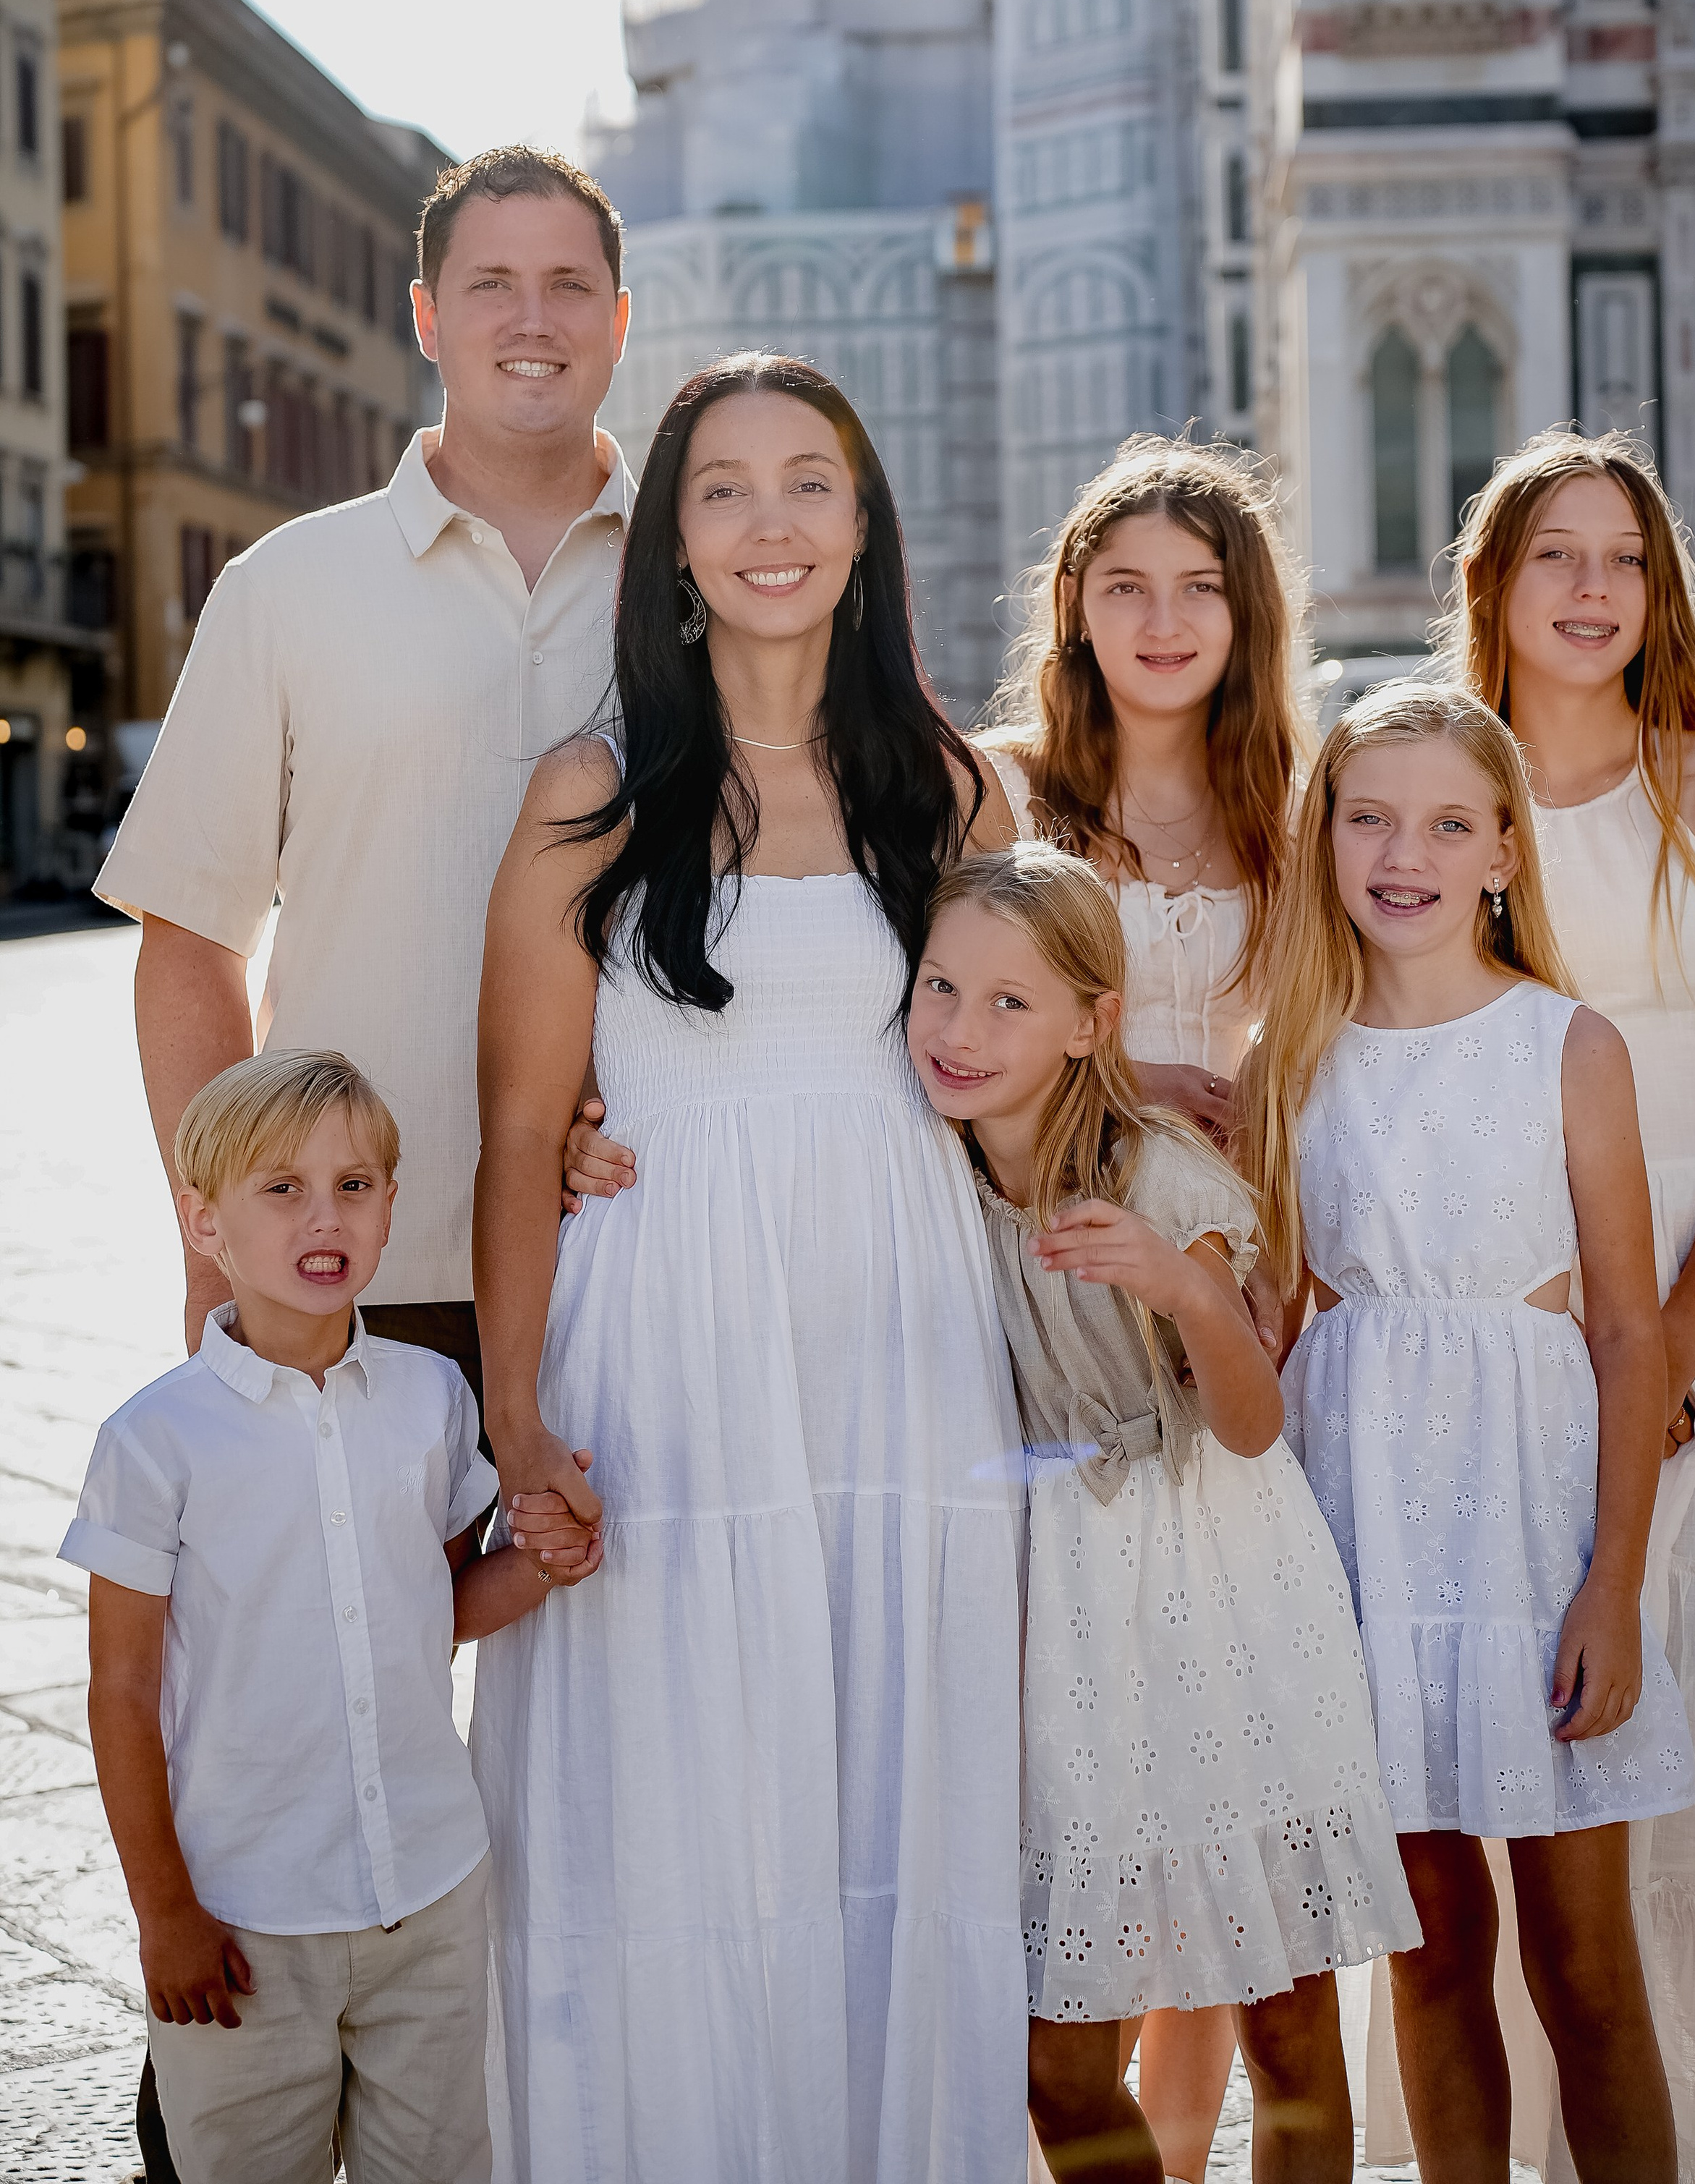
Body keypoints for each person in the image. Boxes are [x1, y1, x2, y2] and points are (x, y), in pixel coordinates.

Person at [468, 352, 1029, 2183]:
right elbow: (518, 1124)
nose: (770, 522)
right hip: (669, 1338)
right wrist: (513, 1418)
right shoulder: (591, 787)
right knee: (677, 1797)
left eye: (811, 483)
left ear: (864, 528)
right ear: (674, 544)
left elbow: (1006, 1080)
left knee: (886, 1772)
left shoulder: (955, 796)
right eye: (724, 488)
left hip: (900, 1339)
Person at [1447, 429, 1695, 2180]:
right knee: (1561, 1751)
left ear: (1661, 587)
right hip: (1525, 1313)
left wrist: (1675, 1340)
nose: (1592, 586)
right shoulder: (1436, 793)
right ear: (1494, 585)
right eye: (1554, 553)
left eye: (1623, 555)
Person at [906, 844, 1418, 2184]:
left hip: (1217, 1589)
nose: (962, 1031)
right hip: (1050, 1616)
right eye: (940, 988)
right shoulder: (916, 1173)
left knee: (1291, 2021)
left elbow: (1253, 1428)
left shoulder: (1162, 1177)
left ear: (1094, 1024)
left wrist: (1185, 1292)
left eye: (1011, 1003)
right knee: (1062, 2064)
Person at [98, 140, 635, 1395]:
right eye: (492, 283)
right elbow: (190, 939)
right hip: (358, 1269)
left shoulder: (707, 572)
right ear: (427, 315)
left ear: (617, 321)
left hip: (646, 1238)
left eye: (567, 285)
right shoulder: (283, 588)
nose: (532, 320)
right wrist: (216, 1246)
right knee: (390, 1602)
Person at [1255, 680, 1694, 2184]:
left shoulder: (1565, 1048)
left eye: (1447, 823)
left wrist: (1610, 1586)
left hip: (1530, 1537)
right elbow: (1268, 1320)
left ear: (1502, 851)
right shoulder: (1289, 1058)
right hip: (1361, 1542)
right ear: (1322, 841)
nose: (1404, 854)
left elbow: (1629, 1333)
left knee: (1581, 1971)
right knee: (1428, 1959)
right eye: (1368, 818)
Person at [59, 1050, 599, 2184]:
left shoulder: (429, 1398)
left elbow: (439, 1609)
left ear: (394, 1207)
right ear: (204, 1222)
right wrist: (165, 1915)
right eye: (282, 1188)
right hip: (245, 1919)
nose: (326, 1215)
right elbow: (119, 1693)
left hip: (431, 1897)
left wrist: (543, 1564)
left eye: (356, 1186)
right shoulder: (156, 1442)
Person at [980, 434, 1310, 2183]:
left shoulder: (1295, 807)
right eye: (1126, 586)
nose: (1163, 618)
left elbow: (1345, 1038)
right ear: (1074, 611)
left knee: (1211, 1767)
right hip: (1048, 1295)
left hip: (1238, 1295)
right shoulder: (997, 791)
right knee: (1086, 1764)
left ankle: (1190, 2157)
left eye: (1199, 587)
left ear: (1245, 619)